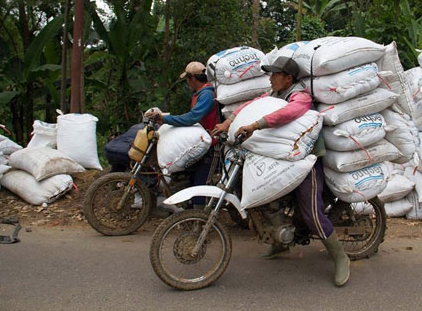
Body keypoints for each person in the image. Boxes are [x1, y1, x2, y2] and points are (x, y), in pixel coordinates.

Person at [210, 56, 350, 287]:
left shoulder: (300, 96)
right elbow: (250, 105)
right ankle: (280, 240)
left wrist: (255, 125)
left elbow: (290, 113)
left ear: (288, 78)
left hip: (307, 159)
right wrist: (229, 122)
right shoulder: (273, 95)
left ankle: (340, 257)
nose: (270, 78)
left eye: (275, 74)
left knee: (311, 211)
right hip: (282, 157)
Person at [145, 61, 220, 208]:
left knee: (199, 182)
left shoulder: (206, 95)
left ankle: (199, 218)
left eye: (187, 79)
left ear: (192, 78)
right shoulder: (200, 94)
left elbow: (192, 118)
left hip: (210, 144)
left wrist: (164, 118)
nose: (187, 82)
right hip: (201, 142)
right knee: (189, 177)